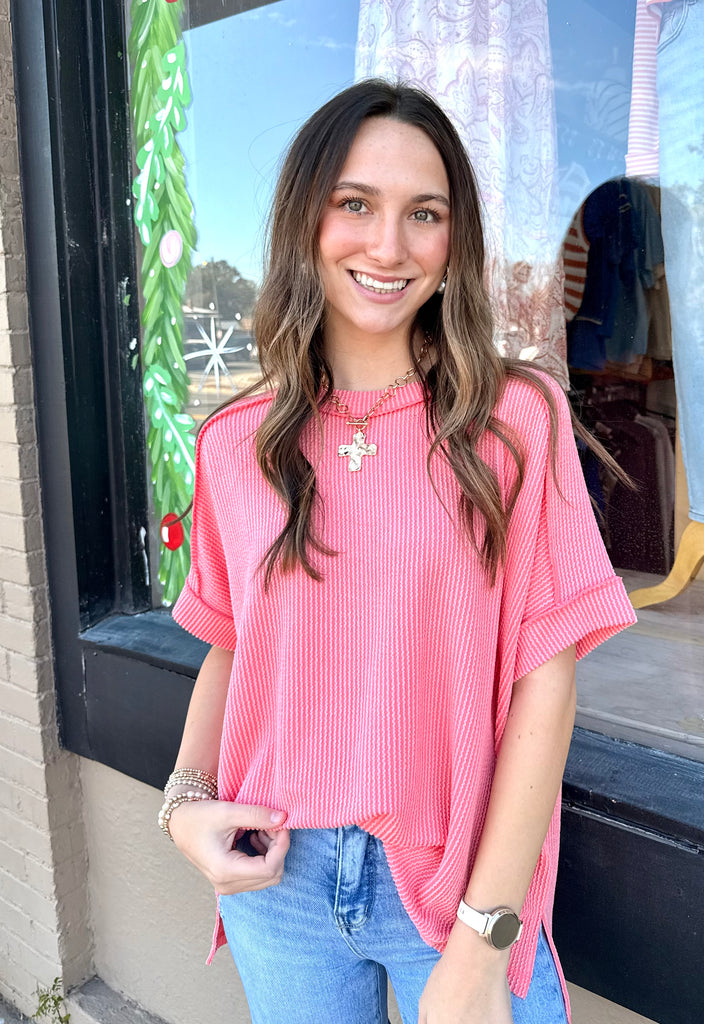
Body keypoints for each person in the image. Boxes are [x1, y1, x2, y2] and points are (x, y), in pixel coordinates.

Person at [160, 79, 636, 1024]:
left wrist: (485, 936)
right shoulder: (235, 442)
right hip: (277, 877)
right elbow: (229, 647)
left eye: (425, 213)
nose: (388, 246)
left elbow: (546, 679)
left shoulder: (515, 421)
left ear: (455, 240)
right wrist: (182, 808)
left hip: (458, 885)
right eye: (355, 204)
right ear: (306, 219)